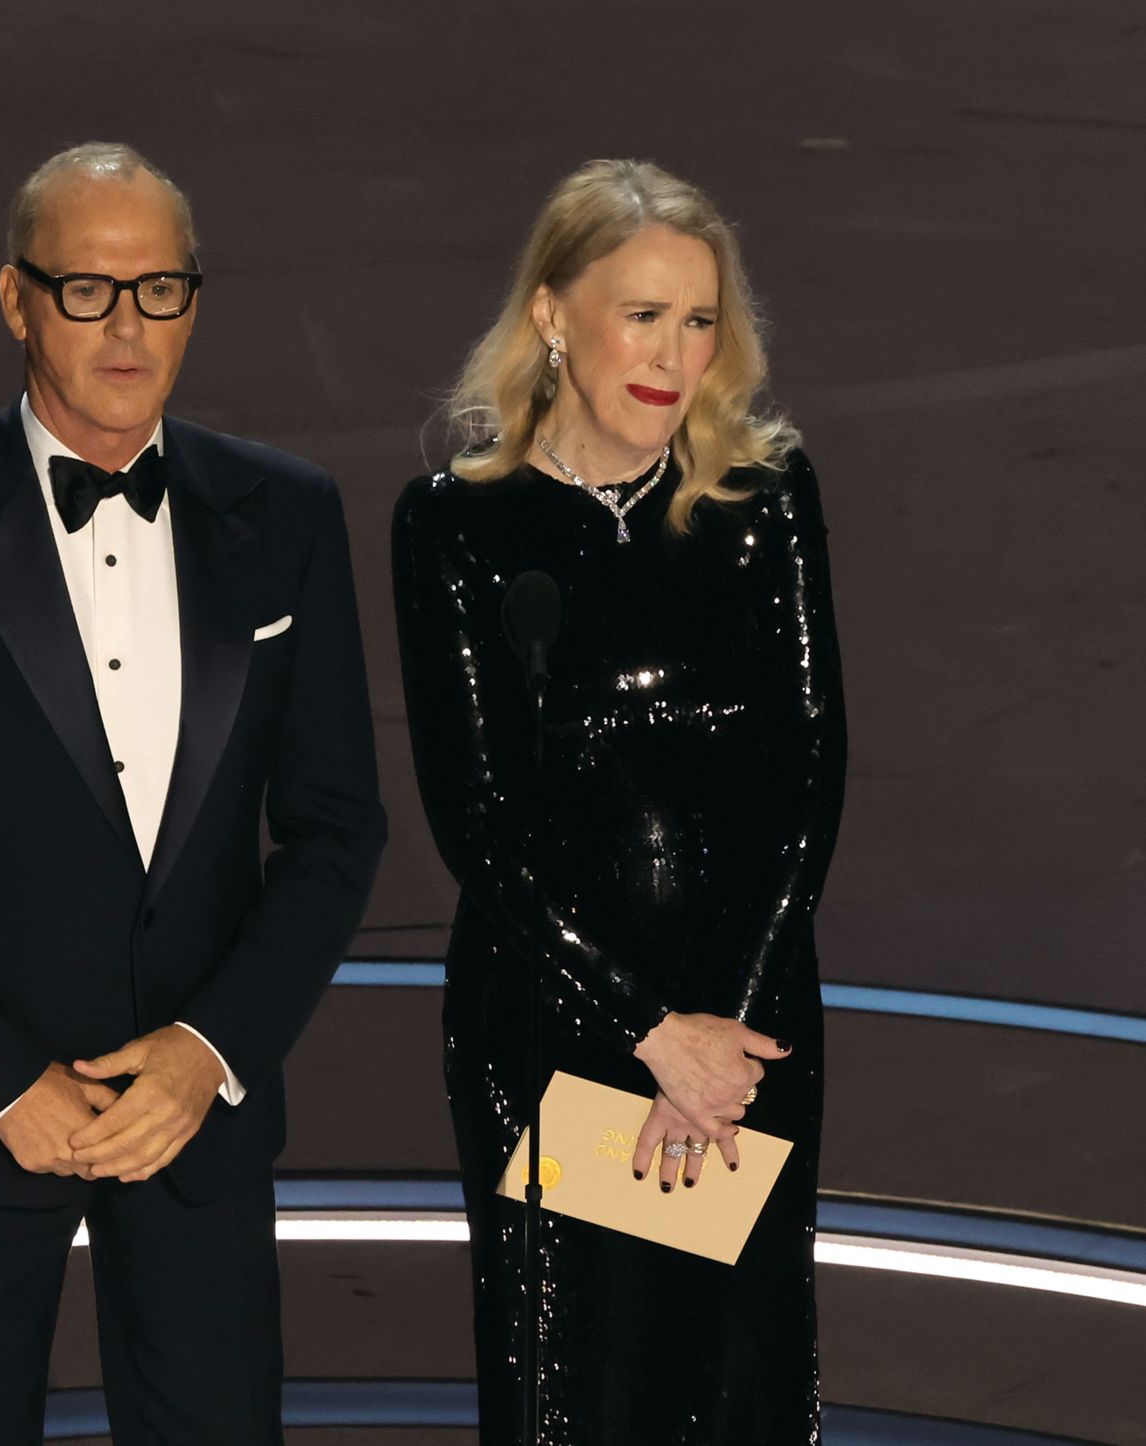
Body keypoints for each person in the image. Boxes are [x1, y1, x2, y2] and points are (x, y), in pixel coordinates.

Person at [0, 141, 386, 1445]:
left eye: (158, 289)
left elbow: (337, 826)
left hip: (198, 1122)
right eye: (88, 291)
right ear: (16, 300)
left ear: (195, 301)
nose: (128, 327)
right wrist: (6, 1081)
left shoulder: (288, 514)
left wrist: (209, 1051)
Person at [391, 158, 846, 1443]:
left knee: (731, 1388)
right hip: (554, 1033)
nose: (675, 352)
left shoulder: (766, 505)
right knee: (578, 1394)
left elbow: (810, 786)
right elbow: (475, 818)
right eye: (641, 313)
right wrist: (652, 1033)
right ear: (552, 314)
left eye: (699, 319)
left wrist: (719, 1046)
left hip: (744, 1037)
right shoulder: (452, 529)